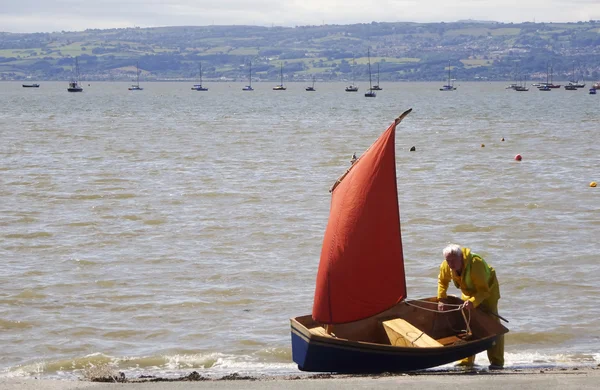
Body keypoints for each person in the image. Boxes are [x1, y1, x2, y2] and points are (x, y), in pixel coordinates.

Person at [437, 244, 504, 369]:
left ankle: (497, 362)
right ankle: (466, 361)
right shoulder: (447, 265)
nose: (450, 264)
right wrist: (441, 299)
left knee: (491, 324)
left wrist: (473, 302)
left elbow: (484, 291)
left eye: (453, 260)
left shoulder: (475, 263)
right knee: (467, 323)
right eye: (448, 260)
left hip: (488, 291)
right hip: (468, 291)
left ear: (461, 257)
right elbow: (442, 281)